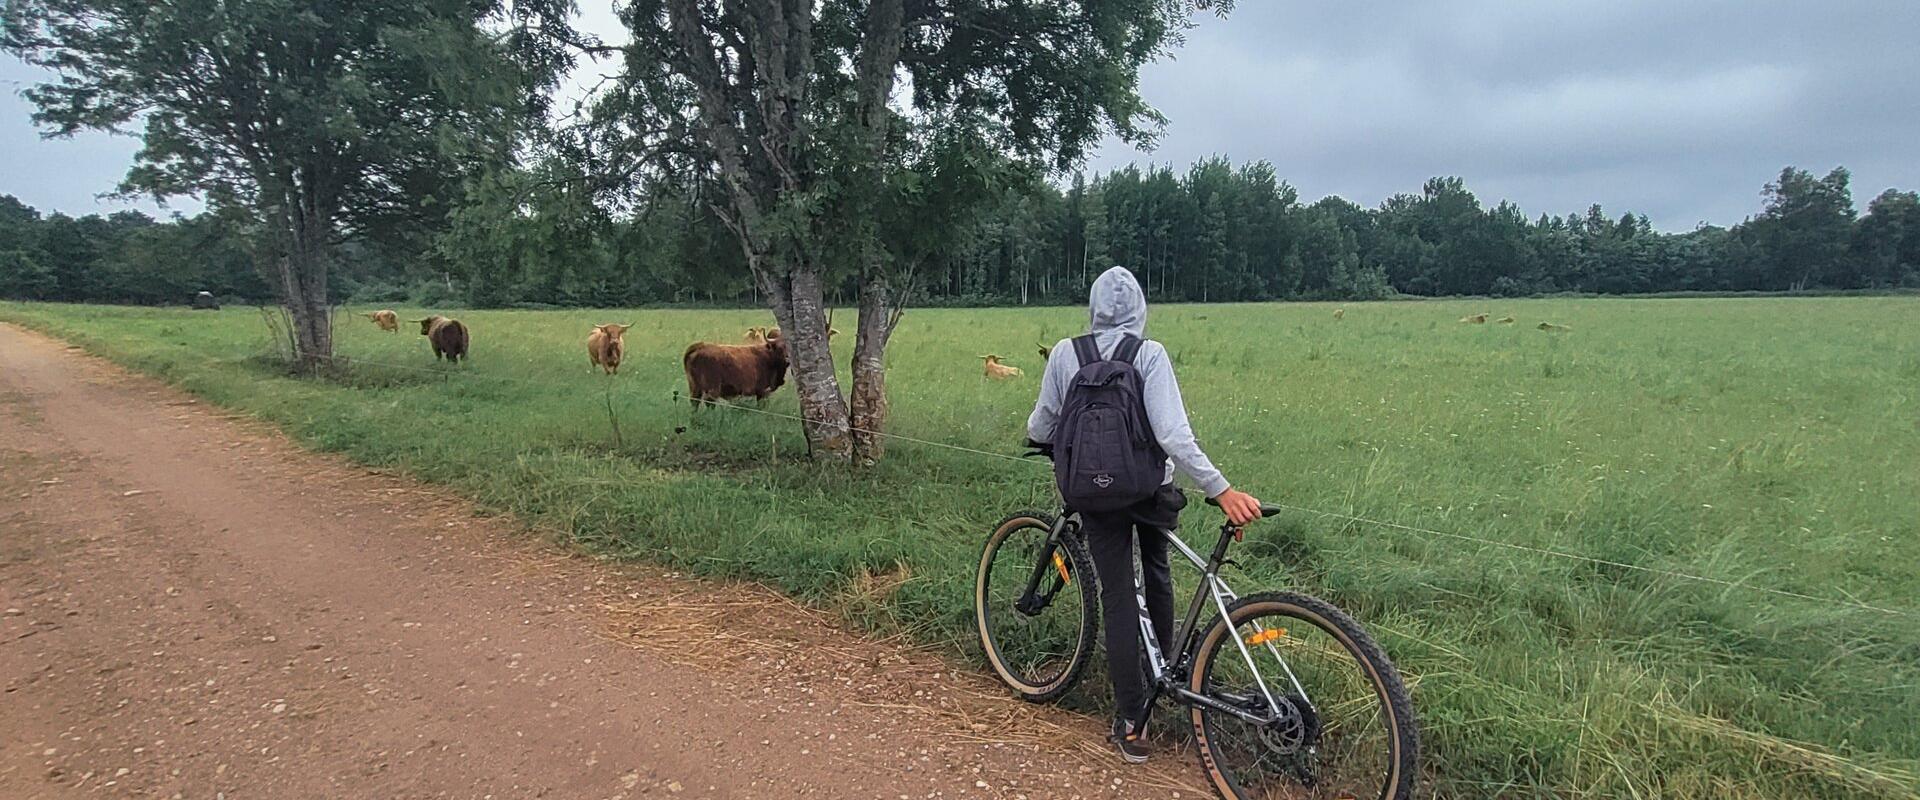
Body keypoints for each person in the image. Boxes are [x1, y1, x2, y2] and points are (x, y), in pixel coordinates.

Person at [1026, 266, 1262, 763]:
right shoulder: (1149, 354)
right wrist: (1220, 489)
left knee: (1117, 597)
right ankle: (1169, 672)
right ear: (1141, 311)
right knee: (1157, 572)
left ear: (1091, 309)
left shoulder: (1068, 353)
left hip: (1093, 496)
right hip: (1150, 488)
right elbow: (1173, 435)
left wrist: (1046, 442)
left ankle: (1133, 720)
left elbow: (1042, 422)